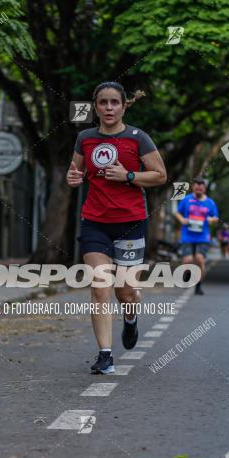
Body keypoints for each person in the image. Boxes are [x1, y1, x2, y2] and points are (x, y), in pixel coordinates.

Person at [67, 81, 167, 373]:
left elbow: (160, 175)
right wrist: (73, 179)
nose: (108, 108)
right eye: (103, 103)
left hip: (131, 222)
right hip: (95, 222)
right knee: (100, 286)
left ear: (124, 106)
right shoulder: (85, 138)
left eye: (114, 102)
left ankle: (131, 318)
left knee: (125, 292)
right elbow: (75, 172)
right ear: (95, 107)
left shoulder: (138, 138)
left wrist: (129, 175)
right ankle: (105, 355)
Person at [174, 178, 219, 295]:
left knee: (199, 259)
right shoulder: (186, 199)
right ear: (193, 187)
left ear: (204, 189)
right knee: (188, 260)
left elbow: (216, 217)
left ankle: (198, 286)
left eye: (201, 187)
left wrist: (211, 219)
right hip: (187, 235)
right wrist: (182, 219)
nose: (199, 189)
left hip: (203, 236)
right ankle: (187, 273)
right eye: (196, 186)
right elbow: (178, 213)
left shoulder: (210, 202)